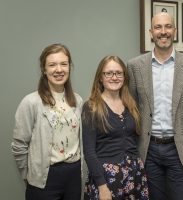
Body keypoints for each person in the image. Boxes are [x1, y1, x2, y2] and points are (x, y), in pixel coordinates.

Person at [127, 12, 183, 200]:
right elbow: (133, 106)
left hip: (180, 149)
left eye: (168, 26)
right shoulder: (135, 66)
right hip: (148, 149)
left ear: (175, 31)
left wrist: (180, 126)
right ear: (151, 32)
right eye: (158, 27)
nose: (163, 32)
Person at [11, 43, 83, 200]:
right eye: (52, 65)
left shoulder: (77, 100)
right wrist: (30, 176)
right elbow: (19, 145)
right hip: (44, 177)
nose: (59, 69)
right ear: (44, 69)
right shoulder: (31, 102)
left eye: (64, 64)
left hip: (74, 174)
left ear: (69, 67)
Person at [82, 56, 149, 200]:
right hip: (106, 178)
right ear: (100, 77)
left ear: (124, 77)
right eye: (109, 73)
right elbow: (89, 152)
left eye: (119, 73)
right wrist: (102, 186)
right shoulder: (91, 107)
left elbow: (136, 140)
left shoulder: (131, 105)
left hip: (134, 174)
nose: (114, 77)